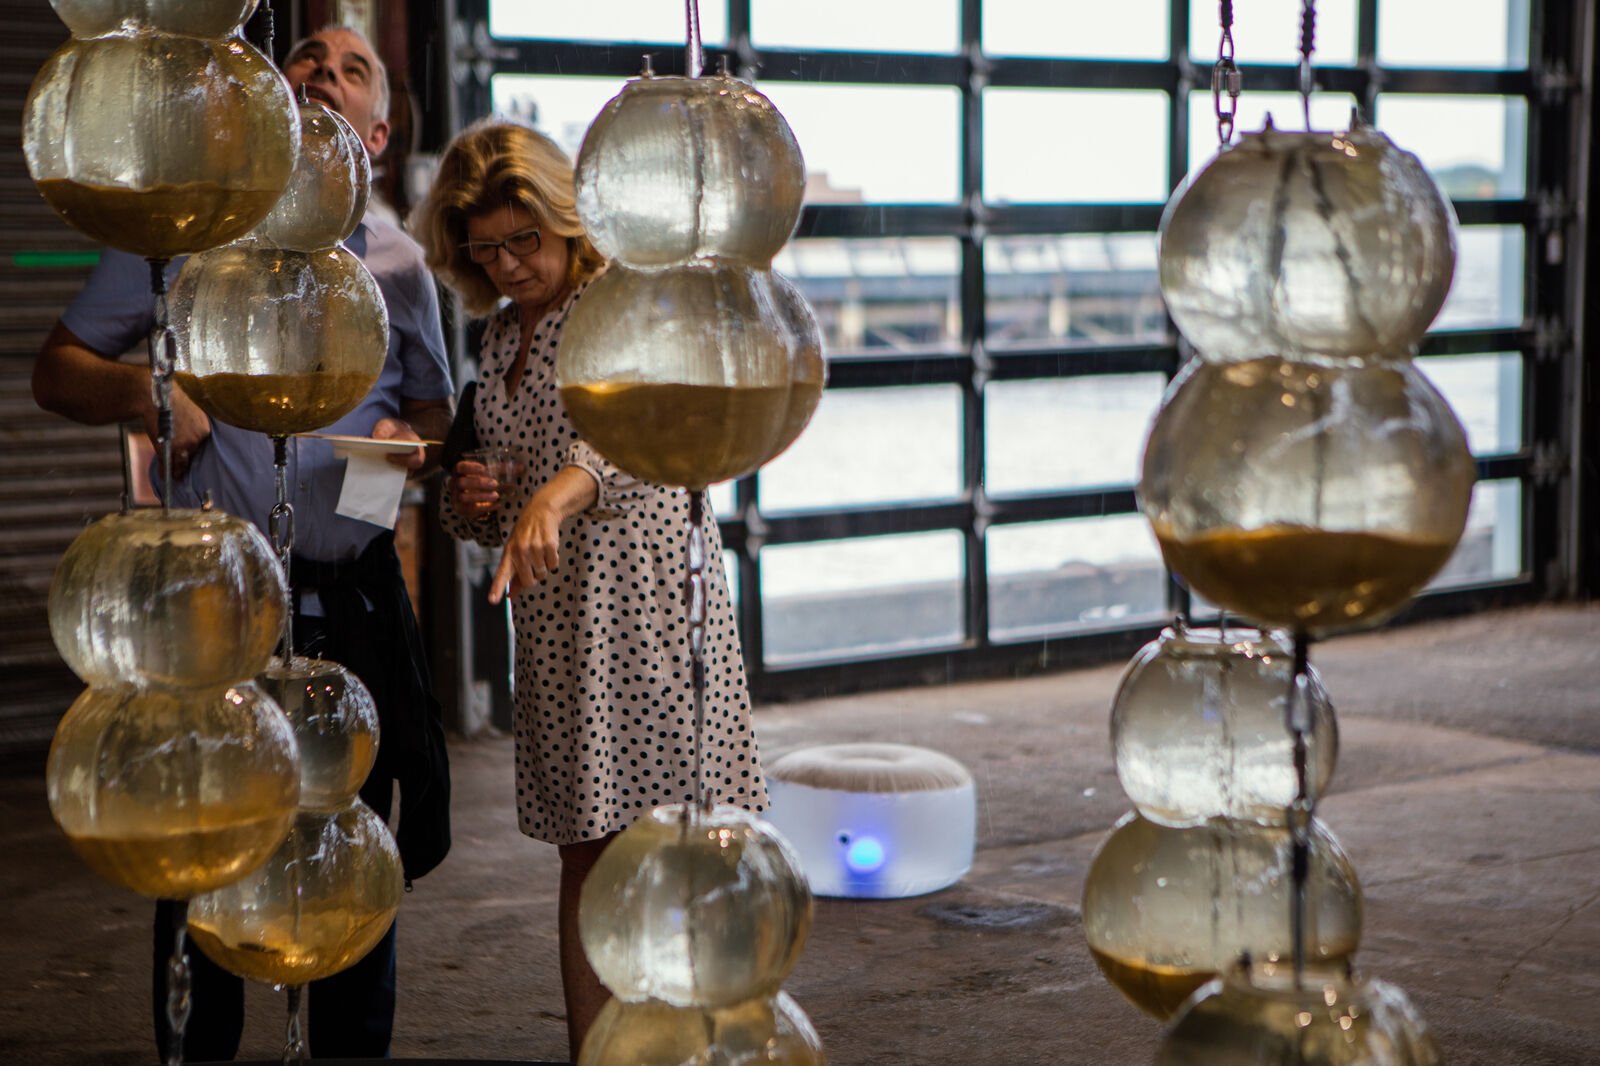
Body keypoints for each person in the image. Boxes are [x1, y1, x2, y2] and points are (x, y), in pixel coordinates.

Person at [32, 26, 453, 1062]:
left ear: (379, 130)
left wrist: (413, 445)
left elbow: (439, 420)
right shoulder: (175, 237)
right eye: (303, 57)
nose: (321, 71)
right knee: (206, 848)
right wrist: (145, 391)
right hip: (210, 608)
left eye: (353, 68)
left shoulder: (396, 263)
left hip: (348, 601)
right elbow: (59, 368)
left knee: (346, 852)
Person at [410, 118, 768, 1059]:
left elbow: (655, 426)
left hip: (647, 608)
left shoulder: (624, 303)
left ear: (568, 220)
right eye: (486, 247)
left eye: (525, 240)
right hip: (560, 625)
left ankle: (703, 1041)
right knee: (584, 852)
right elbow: (483, 501)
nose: (510, 264)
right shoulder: (494, 339)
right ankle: (598, 1051)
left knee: (676, 843)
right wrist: (478, 493)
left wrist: (562, 493)